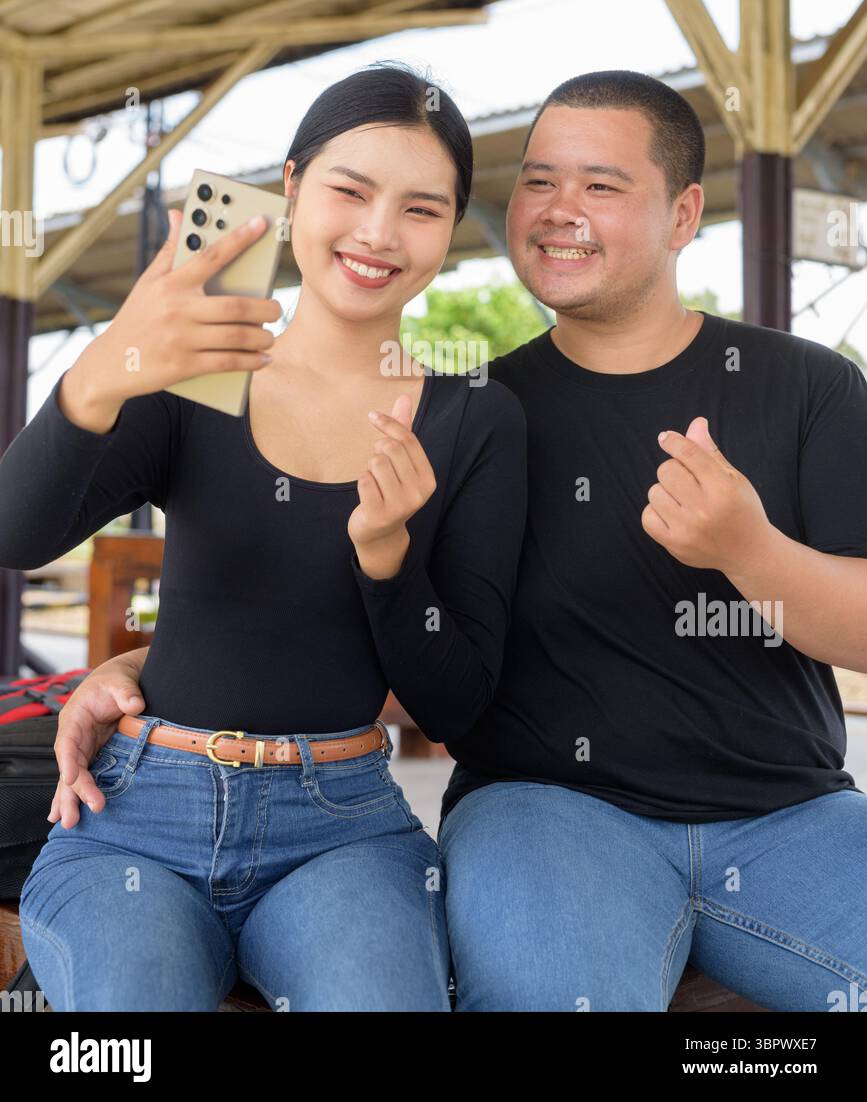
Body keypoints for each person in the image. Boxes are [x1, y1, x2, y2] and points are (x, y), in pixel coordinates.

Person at [0, 63, 527, 1012]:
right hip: (136, 813)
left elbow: (458, 704)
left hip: (342, 827)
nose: (377, 234)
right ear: (288, 190)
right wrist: (104, 370)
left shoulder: (475, 419)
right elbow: (17, 533)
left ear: (452, 228)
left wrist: (387, 560)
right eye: (348, 191)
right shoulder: (192, 376)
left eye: (421, 208)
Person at [439, 71, 867, 1011]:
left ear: (682, 215)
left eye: (600, 185)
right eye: (539, 181)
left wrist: (748, 549)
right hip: (547, 813)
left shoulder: (809, 388)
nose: (558, 212)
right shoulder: (471, 412)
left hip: (791, 815)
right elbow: (368, 609)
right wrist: (153, 674)